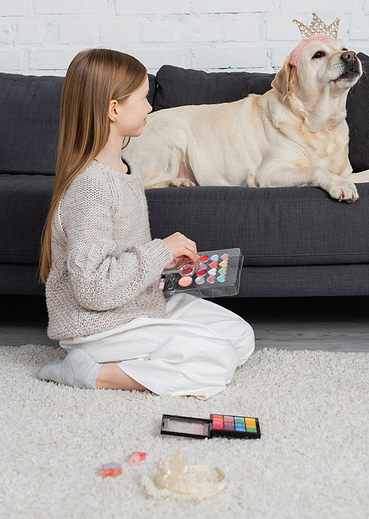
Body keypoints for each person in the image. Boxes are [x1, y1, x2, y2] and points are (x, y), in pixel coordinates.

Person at [37, 49, 255, 398]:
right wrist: (160, 249)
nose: (150, 108)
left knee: (241, 338)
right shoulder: (91, 187)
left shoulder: (126, 169)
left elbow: (121, 253)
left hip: (138, 303)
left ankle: (146, 353)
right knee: (219, 360)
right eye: (142, 99)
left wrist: (164, 262)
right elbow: (93, 288)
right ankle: (91, 372)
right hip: (100, 324)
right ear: (113, 109)